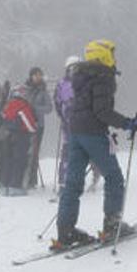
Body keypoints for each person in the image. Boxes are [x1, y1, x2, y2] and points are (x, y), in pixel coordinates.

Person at [52, 40, 137, 249]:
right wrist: (128, 123)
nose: (114, 58)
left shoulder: (80, 76)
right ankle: (112, 226)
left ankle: (65, 232)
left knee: (72, 184)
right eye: (112, 53)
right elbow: (102, 111)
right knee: (114, 178)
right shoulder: (102, 76)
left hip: (75, 133)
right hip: (93, 134)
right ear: (103, 56)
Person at [54, 56, 102, 193]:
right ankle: (64, 184)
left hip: (86, 124)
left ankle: (93, 177)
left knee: (89, 151)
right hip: (69, 125)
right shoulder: (62, 84)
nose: (75, 70)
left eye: (78, 67)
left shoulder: (87, 82)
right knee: (68, 154)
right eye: (72, 68)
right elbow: (57, 102)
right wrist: (64, 116)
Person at [0, 84, 38, 197]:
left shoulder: (8, 105)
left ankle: (5, 185)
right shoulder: (23, 105)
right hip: (21, 136)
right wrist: (34, 130)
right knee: (19, 161)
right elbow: (29, 123)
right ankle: (15, 186)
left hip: (8, 135)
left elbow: (4, 118)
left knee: (8, 160)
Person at [25, 67, 53, 189]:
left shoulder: (43, 91)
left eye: (40, 75)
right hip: (24, 123)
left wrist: (36, 108)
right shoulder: (25, 89)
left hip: (38, 125)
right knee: (25, 151)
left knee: (34, 152)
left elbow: (49, 108)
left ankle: (32, 180)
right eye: (35, 75)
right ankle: (24, 178)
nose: (38, 77)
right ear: (31, 76)